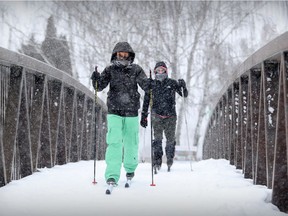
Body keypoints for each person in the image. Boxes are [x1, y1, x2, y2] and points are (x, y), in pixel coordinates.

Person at [90, 42, 150, 187]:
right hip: (114, 111)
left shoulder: (136, 70)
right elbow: (100, 87)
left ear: (130, 55)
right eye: (120, 54)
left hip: (131, 112)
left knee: (131, 142)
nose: (123, 57)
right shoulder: (110, 70)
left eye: (125, 54)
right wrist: (96, 79)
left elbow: (145, 86)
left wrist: (150, 83)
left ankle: (130, 168)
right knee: (114, 142)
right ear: (115, 55)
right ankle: (112, 175)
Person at [140, 61, 188, 173]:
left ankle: (170, 159)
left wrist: (183, 86)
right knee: (157, 140)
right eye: (158, 70)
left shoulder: (171, 83)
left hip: (170, 116)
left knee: (170, 139)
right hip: (156, 115)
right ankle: (157, 160)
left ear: (166, 71)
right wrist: (144, 115)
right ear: (155, 71)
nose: (160, 72)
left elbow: (184, 94)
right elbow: (146, 101)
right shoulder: (151, 85)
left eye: (162, 70)